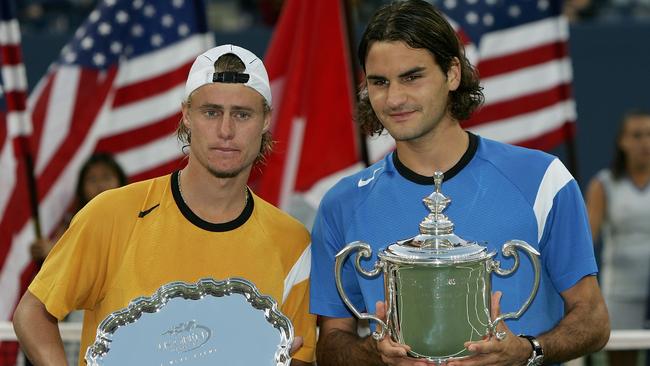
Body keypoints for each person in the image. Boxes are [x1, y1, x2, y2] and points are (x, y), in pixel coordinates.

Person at [309, 1, 610, 366]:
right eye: (379, 82)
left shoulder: (544, 179)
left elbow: (593, 320)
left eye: (412, 77)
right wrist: (373, 354)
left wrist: (526, 351)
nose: (394, 98)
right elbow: (330, 344)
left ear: (452, 73)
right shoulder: (341, 203)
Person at [13, 44, 316, 366]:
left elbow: (297, 356)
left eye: (242, 114)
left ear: (266, 120)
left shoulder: (292, 242)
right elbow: (32, 312)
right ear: (186, 115)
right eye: (211, 112)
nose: (226, 131)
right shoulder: (111, 213)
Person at [585, 110, 650, 366]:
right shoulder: (604, 184)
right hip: (621, 293)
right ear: (622, 141)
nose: (644, 142)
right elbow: (587, 239)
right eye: (636, 135)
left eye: (649, 135)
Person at [29, 152, 128, 265]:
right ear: (82, 188)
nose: (100, 185)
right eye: (92, 179)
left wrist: (56, 254)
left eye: (106, 177)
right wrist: (48, 252)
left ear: (120, 181)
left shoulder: (135, 216)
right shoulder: (72, 223)